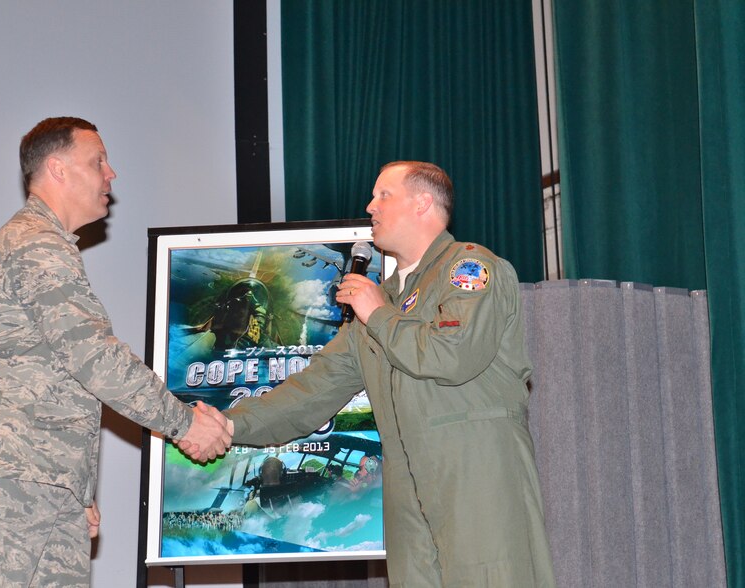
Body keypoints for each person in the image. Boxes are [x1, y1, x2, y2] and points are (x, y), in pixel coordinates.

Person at [215, 161, 556, 586]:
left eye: (383, 195)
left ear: (423, 203)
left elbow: (451, 356)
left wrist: (377, 311)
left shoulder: (468, 269)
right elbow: (307, 396)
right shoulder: (383, 303)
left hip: (477, 479)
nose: (369, 206)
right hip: (407, 490)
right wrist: (222, 425)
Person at [0, 117, 231, 586]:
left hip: (41, 491)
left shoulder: (46, 246)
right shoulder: (34, 245)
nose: (112, 174)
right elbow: (93, 357)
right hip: (2, 491)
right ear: (58, 169)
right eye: (98, 161)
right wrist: (184, 422)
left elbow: (59, 375)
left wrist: (72, 486)